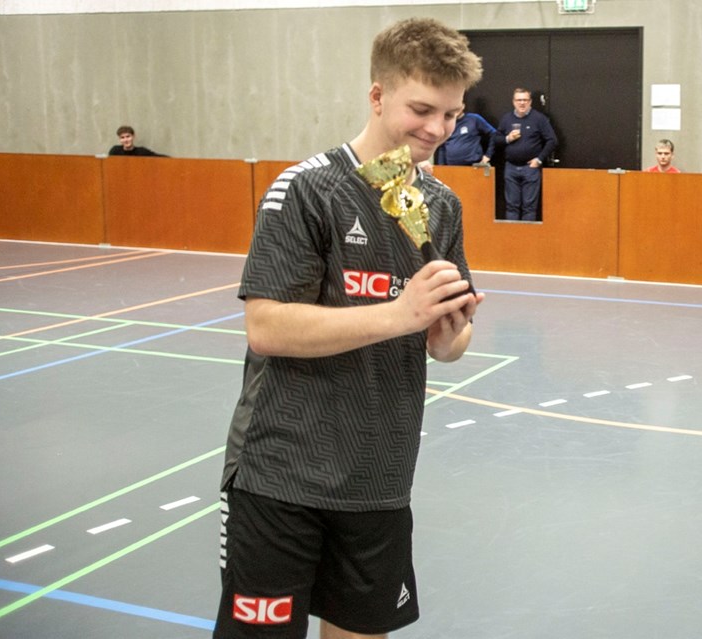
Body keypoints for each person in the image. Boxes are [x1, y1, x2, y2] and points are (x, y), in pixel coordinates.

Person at [213, 17, 484, 639]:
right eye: (422, 109)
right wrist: (401, 314)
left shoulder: (441, 205)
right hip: (282, 476)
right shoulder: (307, 189)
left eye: (451, 114)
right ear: (377, 95)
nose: (437, 130)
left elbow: (449, 339)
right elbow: (266, 327)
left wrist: (449, 339)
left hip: (379, 480)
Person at [497, 87, 557, 221]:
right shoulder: (507, 118)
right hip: (511, 168)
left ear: (530, 102)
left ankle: (527, 235)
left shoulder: (539, 118)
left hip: (530, 169)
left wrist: (539, 159)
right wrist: (508, 138)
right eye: (519, 100)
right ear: (513, 102)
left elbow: (552, 140)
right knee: (511, 207)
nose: (522, 103)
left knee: (529, 208)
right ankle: (512, 234)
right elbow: (496, 139)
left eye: (525, 100)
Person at [434, 109, 498, 166]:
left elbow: (494, 134)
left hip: (473, 165)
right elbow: (442, 145)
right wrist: (441, 166)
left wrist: (488, 155)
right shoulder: (446, 123)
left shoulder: (474, 119)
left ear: (463, 106)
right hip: (451, 167)